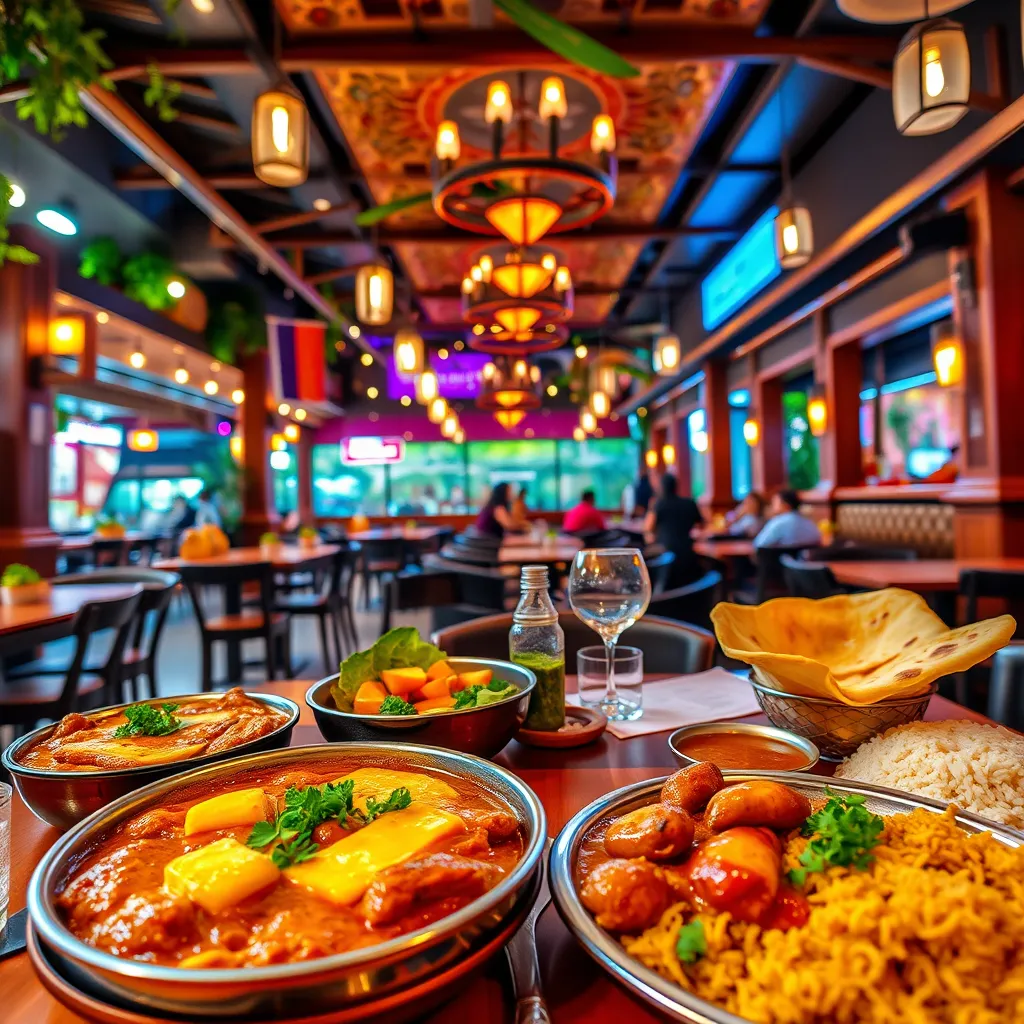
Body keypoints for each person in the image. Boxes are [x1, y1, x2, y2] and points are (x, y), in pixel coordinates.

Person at [643, 473, 703, 587]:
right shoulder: (690, 503)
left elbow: (647, 528)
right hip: (688, 551)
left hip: (664, 552)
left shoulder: (659, 504)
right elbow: (701, 525)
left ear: (662, 487)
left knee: (645, 555)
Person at [753, 489, 822, 549]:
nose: (772, 505)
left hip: (779, 560)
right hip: (806, 560)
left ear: (785, 505)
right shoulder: (809, 523)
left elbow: (759, 544)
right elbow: (817, 541)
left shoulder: (778, 522)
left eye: (775, 502)